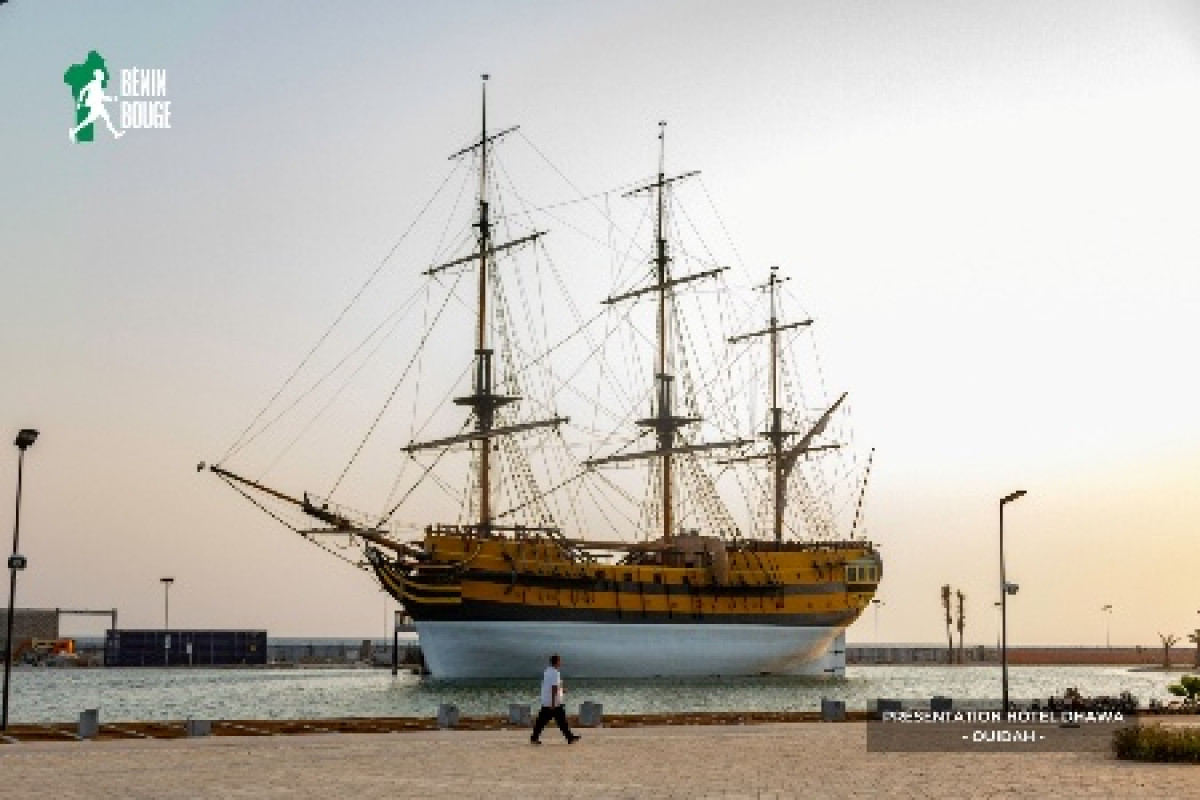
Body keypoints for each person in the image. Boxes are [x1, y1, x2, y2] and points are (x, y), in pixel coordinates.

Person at [530, 653, 580, 745]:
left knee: (550, 721)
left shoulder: (547, 671)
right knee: (553, 721)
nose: (560, 663)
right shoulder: (555, 673)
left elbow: (553, 685)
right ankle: (569, 737)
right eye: (559, 661)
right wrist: (553, 703)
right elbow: (553, 687)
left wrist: (562, 690)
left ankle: (569, 737)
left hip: (548, 701)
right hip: (553, 703)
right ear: (557, 662)